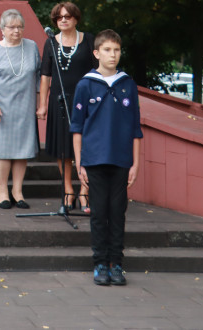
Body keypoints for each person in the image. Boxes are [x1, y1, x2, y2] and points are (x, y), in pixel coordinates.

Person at [71, 30, 143, 286]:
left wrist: (135, 163)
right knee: (99, 212)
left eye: (117, 50)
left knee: (118, 212)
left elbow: (136, 128)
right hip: (94, 160)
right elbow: (77, 128)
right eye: (107, 50)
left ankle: (117, 264)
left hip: (122, 160)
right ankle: (100, 263)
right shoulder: (85, 84)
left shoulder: (127, 84)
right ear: (96, 53)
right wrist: (79, 162)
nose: (113, 55)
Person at [0, 8, 40, 210]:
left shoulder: (31, 47)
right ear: (2, 29)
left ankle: (17, 191)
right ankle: (3, 191)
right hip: (1, 106)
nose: (16, 31)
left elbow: (39, 76)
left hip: (26, 105)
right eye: (12, 27)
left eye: (20, 27)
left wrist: (41, 101)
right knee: (3, 150)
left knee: (23, 149)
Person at [37, 2, 97, 212]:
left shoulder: (88, 39)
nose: (63, 20)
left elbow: (99, 71)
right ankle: (68, 189)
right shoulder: (50, 43)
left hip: (86, 102)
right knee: (63, 149)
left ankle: (84, 191)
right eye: (59, 17)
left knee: (86, 148)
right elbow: (45, 76)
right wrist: (42, 105)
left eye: (68, 16)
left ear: (76, 19)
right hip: (59, 102)